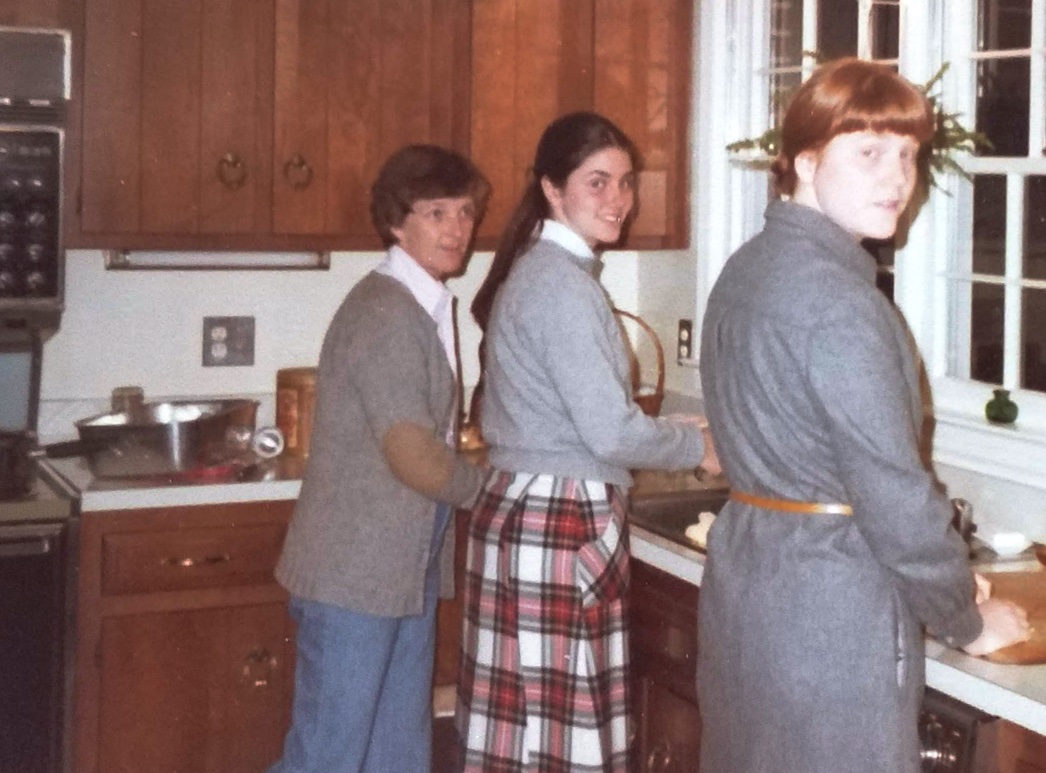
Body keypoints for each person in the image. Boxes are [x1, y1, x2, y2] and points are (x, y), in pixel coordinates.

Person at [697, 59, 1031, 773]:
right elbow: (895, 500)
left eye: (908, 155)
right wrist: (965, 619)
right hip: (831, 614)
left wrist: (941, 576)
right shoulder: (844, 305)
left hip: (750, 586)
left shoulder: (745, 270)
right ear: (807, 162)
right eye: (870, 153)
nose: (896, 179)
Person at [456, 111, 719, 772]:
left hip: (531, 515)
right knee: (555, 743)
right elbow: (608, 430)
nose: (619, 200)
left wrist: (679, 428)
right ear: (552, 188)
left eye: (625, 182)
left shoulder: (550, 274)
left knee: (523, 736)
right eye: (597, 182)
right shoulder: (562, 285)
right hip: (558, 523)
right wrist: (698, 450)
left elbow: (572, 417)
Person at [269, 144, 490, 773]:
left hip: (397, 571)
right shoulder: (386, 311)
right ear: (397, 221)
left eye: (466, 213)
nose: (456, 229)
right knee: (328, 756)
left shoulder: (421, 303)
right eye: (437, 212)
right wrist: (493, 487)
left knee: (397, 749)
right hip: (355, 575)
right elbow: (414, 456)